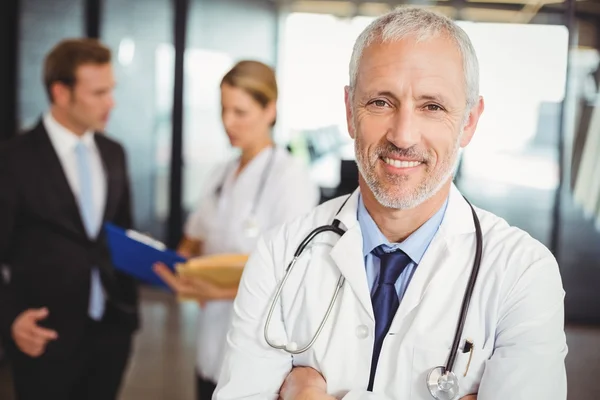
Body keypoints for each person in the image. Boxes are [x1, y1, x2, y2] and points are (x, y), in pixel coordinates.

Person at [212, 7, 568, 400]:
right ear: (349, 111)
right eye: (381, 102)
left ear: (469, 122)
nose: (402, 135)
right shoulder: (280, 255)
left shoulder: (522, 274)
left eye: (432, 106)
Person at [154, 60, 320, 399]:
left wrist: (214, 291)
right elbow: (195, 237)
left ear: (270, 110)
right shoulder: (220, 173)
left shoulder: (290, 179)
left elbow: (294, 272)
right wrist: (177, 262)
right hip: (210, 341)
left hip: (258, 350)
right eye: (223, 110)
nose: (228, 122)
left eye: (240, 112)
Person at [0, 38, 138, 400]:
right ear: (61, 93)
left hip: (111, 330)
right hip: (44, 334)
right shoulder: (13, 159)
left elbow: (121, 235)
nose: (112, 102)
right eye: (99, 92)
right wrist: (10, 318)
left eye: (112, 90)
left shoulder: (114, 153)